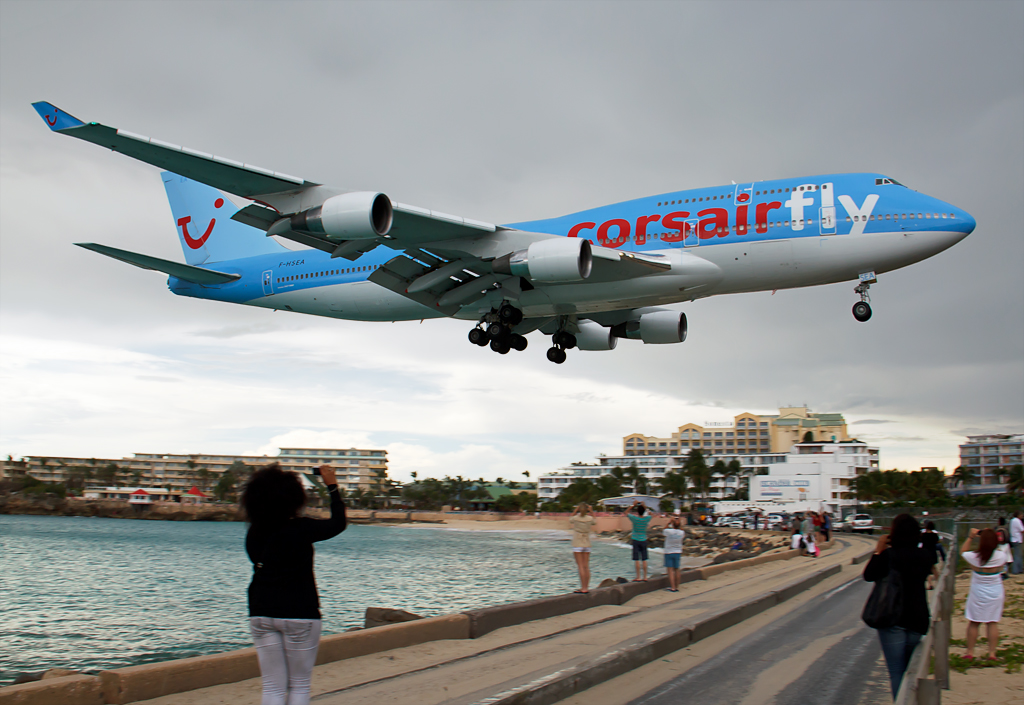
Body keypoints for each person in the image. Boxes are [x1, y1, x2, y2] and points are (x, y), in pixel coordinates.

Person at [242, 463, 347, 705]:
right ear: (293, 497)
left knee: (272, 687)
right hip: (299, 613)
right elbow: (338, 523)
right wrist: (332, 485)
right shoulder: (302, 528)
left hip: (260, 612)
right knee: (299, 685)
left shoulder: (254, 532)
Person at [863, 514, 937, 698]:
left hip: (891, 618)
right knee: (910, 670)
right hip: (917, 618)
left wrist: (879, 550)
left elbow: (869, 575)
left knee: (897, 671)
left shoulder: (888, 556)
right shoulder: (924, 556)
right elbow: (930, 554)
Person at [962, 528, 1011, 660]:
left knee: (974, 622)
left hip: (978, 592)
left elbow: (963, 552)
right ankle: (992, 653)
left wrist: (971, 537)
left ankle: (970, 652)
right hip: (995, 591)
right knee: (992, 622)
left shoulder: (975, 557)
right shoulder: (1001, 556)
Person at [569, 503, 596, 593]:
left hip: (577, 542)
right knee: (586, 566)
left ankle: (583, 588)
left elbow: (570, 519)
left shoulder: (576, 518)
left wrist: (575, 510)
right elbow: (594, 522)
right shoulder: (589, 519)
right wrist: (591, 511)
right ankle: (586, 587)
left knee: (580, 566)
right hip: (587, 542)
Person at [628, 500, 652, 581]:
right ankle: (645, 577)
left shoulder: (634, 519)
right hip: (644, 540)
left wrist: (633, 505)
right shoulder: (646, 519)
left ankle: (638, 576)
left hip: (635, 540)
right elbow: (652, 514)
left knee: (637, 559)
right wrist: (645, 506)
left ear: (637, 512)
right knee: (644, 559)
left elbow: (626, 512)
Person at [663, 517, 685, 592]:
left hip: (669, 552)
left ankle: (672, 587)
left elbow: (664, 530)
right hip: (678, 552)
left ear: (672, 524)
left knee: (670, 571)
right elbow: (681, 529)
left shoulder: (668, 531)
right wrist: (678, 522)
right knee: (677, 570)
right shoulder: (681, 532)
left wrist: (669, 522)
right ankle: (677, 586)